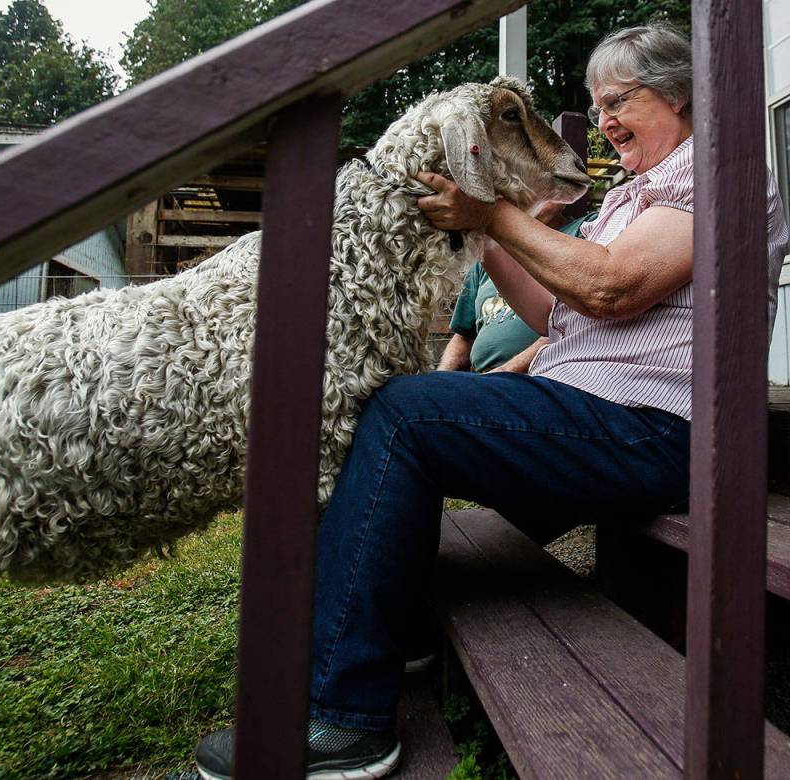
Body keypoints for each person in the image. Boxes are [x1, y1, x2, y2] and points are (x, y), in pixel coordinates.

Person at [195, 22, 789, 780]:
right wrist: (493, 243)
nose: (603, 120)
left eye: (618, 101)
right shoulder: (632, 197)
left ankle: (347, 720)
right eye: (595, 104)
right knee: (404, 410)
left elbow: (613, 285)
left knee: (407, 412)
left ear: (677, 93)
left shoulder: (717, 173)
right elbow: (558, 314)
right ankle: (397, 632)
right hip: (595, 413)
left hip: (659, 432)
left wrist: (493, 216)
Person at [438, 206, 593, 374]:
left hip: (542, 376)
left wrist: (505, 371)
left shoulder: (585, 231)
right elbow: (463, 336)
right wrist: (441, 375)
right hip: (481, 380)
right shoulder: (490, 253)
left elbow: (569, 325)